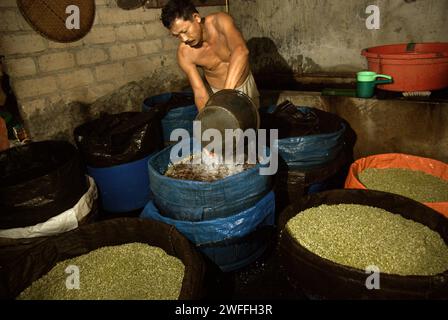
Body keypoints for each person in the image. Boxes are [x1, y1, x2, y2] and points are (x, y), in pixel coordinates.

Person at [161, 0, 260, 111]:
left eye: (185, 31)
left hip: (243, 86)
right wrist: (206, 119)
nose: (184, 39)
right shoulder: (185, 54)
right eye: (177, 35)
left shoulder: (220, 22)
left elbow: (241, 51)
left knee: (253, 125)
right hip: (217, 94)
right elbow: (200, 93)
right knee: (221, 127)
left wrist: (226, 94)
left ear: (196, 17)